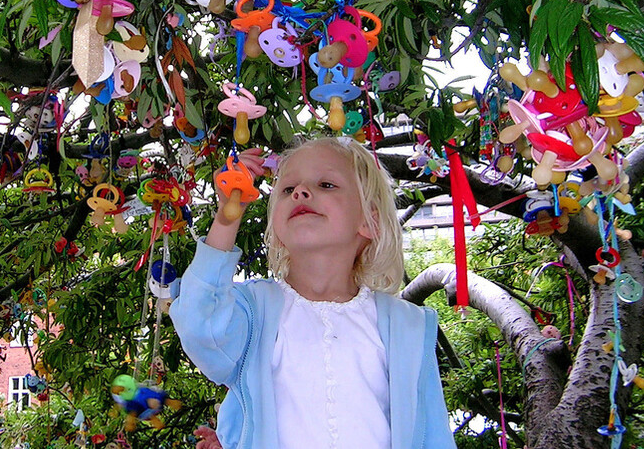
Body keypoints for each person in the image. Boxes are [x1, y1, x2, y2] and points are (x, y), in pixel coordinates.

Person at [170, 137, 456, 449]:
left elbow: (433, 434)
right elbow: (199, 324)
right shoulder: (255, 313)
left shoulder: (406, 326)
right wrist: (229, 213)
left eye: (326, 184)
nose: (301, 192)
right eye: (287, 189)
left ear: (369, 220)